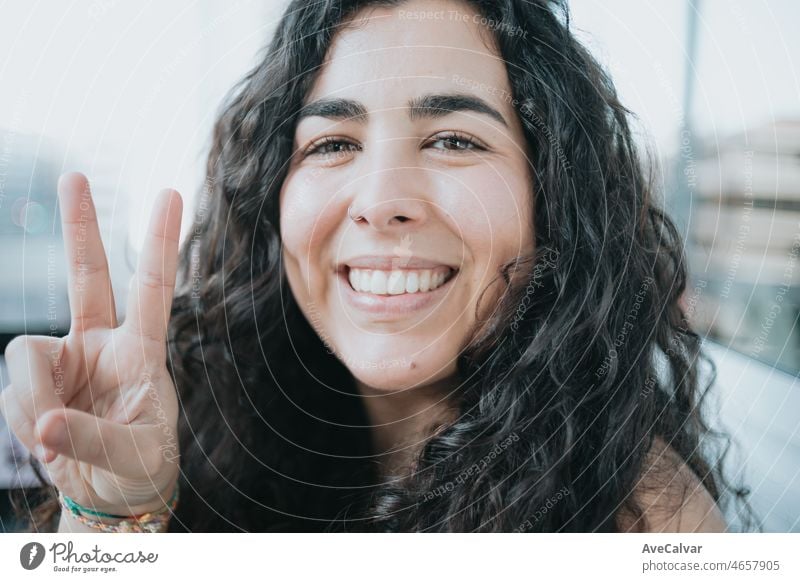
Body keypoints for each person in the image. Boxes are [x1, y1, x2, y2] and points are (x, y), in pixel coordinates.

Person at [1, 0, 750, 533]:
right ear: (273, 200)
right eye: (331, 144)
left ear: (552, 196)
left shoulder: (642, 520)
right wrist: (115, 516)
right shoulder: (214, 426)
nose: (381, 200)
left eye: (454, 140)